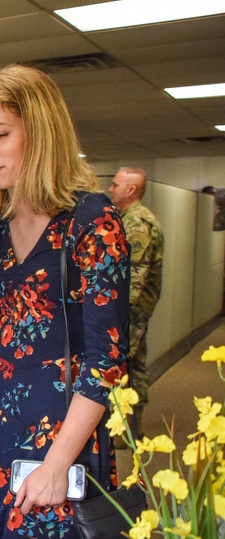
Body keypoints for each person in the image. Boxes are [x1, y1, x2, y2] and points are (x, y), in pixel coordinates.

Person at [0, 64, 130, 539]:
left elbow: (106, 364)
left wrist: (59, 462)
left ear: (40, 135)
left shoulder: (93, 220)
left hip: (61, 427)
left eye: (1, 134)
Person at [108, 166, 163, 438]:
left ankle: (123, 429)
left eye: (116, 185)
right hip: (137, 309)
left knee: (122, 365)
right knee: (135, 364)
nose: (110, 188)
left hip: (131, 310)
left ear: (131, 190)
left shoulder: (136, 222)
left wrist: (116, 315)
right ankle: (133, 427)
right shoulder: (132, 218)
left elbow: (135, 277)